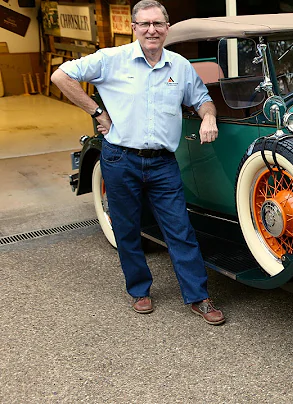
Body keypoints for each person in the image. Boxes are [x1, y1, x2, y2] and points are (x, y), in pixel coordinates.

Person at [51, 0, 225, 325]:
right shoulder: (110, 60)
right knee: (128, 229)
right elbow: (60, 76)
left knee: (180, 229)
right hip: (120, 159)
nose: (151, 30)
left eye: (157, 24)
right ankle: (139, 290)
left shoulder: (180, 67)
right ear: (134, 28)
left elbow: (202, 99)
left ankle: (199, 297)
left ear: (167, 27)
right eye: (144, 24)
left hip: (162, 163)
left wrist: (208, 119)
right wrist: (96, 112)